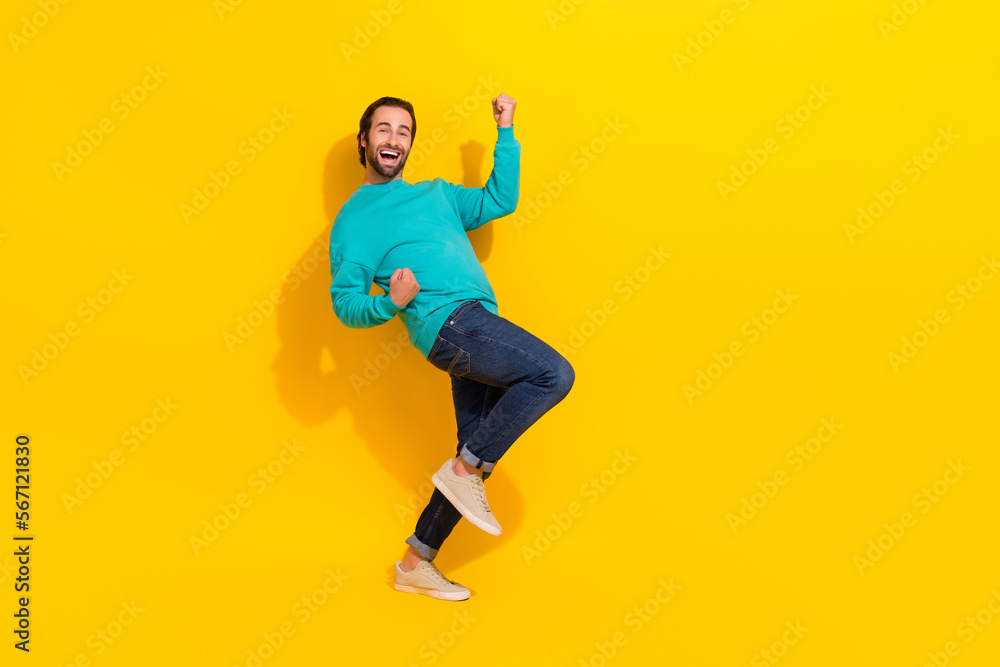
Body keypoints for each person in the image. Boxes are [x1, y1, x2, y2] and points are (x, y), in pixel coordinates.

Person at [328, 94, 574, 600]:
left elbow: (498, 200)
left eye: (403, 132)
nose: (393, 139)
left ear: (409, 144)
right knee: (553, 374)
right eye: (383, 130)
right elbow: (344, 302)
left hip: (476, 325)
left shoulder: (437, 194)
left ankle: (414, 563)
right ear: (364, 140)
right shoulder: (356, 219)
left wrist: (505, 132)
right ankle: (462, 471)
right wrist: (389, 304)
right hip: (452, 325)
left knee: (476, 457)